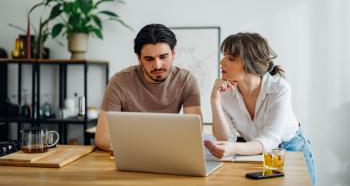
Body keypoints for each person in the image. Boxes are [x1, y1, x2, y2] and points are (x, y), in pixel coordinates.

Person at [204, 32, 316, 185]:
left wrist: (233, 148)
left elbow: (269, 139)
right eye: (224, 56)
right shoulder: (225, 93)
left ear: (249, 63)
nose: (221, 62)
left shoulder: (279, 88)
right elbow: (225, 139)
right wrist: (214, 99)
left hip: (290, 149)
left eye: (230, 58)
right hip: (255, 152)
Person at [95, 23, 202, 151]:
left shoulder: (186, 80)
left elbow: (194, 134)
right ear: (139, 59)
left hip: (168, 152)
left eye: (163, 57)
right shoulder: (119, 81)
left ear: (173, 54)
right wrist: (137, 148)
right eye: (149, 59)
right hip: (130, 152)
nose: (157, 65)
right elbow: (102, 136)